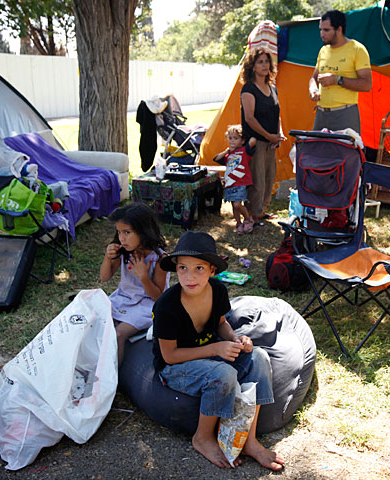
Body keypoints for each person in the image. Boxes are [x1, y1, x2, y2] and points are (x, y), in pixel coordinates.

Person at [152, 231, 284, 471]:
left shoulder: (218, 290)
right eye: (182, 268)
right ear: (176, 269)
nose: (189, 276)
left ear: (212, 270)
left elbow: (221, 323)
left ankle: (249, 439)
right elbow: (169, 356)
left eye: (198, 269)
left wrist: (236, 339)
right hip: (176, 367)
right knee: (223, 374)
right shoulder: (167, 305)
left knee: (259, 357)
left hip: (209, 354)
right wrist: (215, 348)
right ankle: (202, 437)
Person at [100, 203, 169, 365]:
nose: (121, 238)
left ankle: (112, 380)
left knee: (118, 334)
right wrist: (107, 257)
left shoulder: (160, 259)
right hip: (123, 298)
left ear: (144, 231)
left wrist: (143, 276)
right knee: (97, 324)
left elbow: (158, 297)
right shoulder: (124, 251)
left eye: (127, 232)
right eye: (119, 232)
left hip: (146, 306)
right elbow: (104, 277)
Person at [240, 47, 286, 226]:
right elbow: (249, 118)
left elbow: (277, 114)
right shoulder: (248, 89)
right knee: (257, 180)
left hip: (271, 142)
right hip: (256, 141)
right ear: (252, 66)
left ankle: (262, 211)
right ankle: (252, 213)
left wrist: (279, 134)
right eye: (260, 62)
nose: (265, 65)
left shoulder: (273, 88)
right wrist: (268, 136)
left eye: (267, 61)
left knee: (269, 177)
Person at [309, 10, 372, 133]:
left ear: (339, 29)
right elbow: (313, 78)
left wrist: (338, 80)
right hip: (321, 113)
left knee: (345, 151)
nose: (322, 34)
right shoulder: (323, 50)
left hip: (345, 113)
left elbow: (367, 85)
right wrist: (313, 90)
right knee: (316, 151)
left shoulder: (357, 49)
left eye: (326, 30)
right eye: (320, 30)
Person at [213, 124, 257, 234]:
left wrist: (248, 131)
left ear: (242, 140)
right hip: (230, 183)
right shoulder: (229, 155)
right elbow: (216, 158)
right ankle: (238, 223)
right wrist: (226, 151)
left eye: (236, 138)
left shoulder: (244, 151)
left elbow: (253, 140)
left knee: (238, 204)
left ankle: (247, 219)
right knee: (234, 206)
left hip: (240, 182)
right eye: (230, 138)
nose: (232, 141)